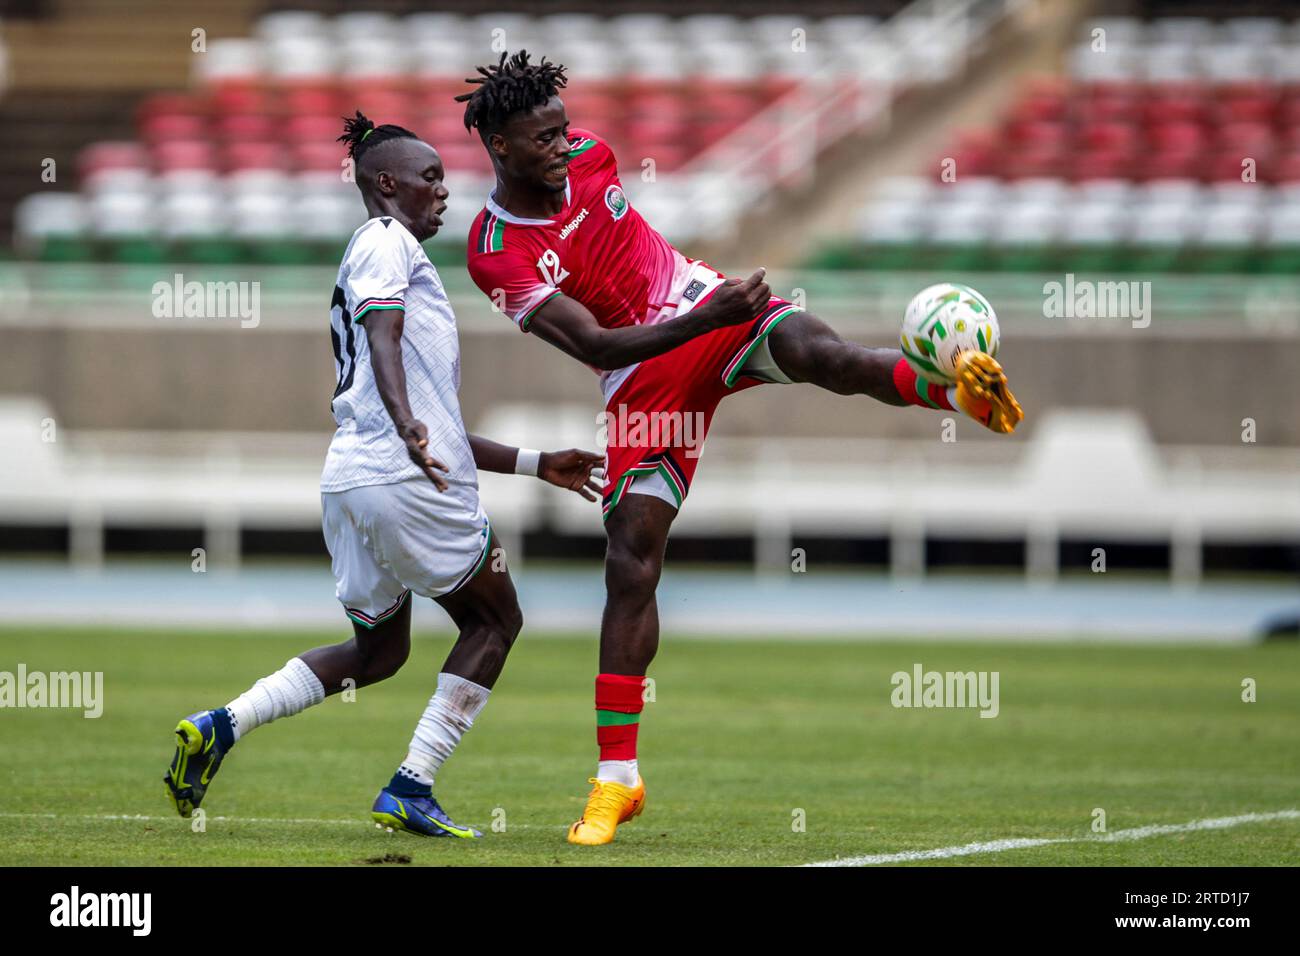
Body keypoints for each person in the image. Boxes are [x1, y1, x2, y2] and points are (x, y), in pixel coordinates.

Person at [459, 52, 1024, 844]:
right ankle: (616, 777)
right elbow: (601, 344)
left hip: (702, 304)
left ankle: (953, 390)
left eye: (561, 129)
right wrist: (708, 315)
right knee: (630, 560)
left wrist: (711, 309)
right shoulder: (494, 251)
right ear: (500, 147)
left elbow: (649, 271)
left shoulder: (593, 155)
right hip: (646, 376)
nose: (563, 145)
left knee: (825, 356)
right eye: (541, 138)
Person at [163, 111, 603, 839]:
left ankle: (221, 725)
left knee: (380, 651)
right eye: (430, 178)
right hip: (399, 473)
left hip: (354, 476)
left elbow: (425, 407)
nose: (443, 192)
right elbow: (383, 335)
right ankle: (412, 784)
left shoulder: (386, 250)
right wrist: (407, 426)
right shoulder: (385, 241)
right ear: (388, 184)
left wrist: (532, 463)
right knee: (496, 619)